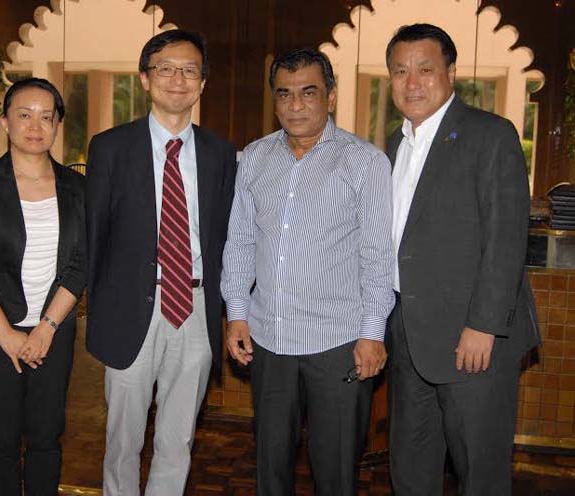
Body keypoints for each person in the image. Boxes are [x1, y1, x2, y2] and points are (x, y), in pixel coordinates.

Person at [221, 47, 394, 495]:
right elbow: (239, 241)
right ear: (274, 100)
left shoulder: (366, 162)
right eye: (284, 94)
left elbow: (378, 255)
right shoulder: (255, 159)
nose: (295, 105)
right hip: (269, 340)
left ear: (330, 97)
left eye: (308, 92)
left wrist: (373, 332)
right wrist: (237, 313)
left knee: (335, 469)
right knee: (270, 465)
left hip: (338, 343)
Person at [385, 23, 540, 495]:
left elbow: (507, 239)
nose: (412, 82)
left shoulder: (490, 135)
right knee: (410, 467)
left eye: (425, 69)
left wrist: (485, 326)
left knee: (480, 471)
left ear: (452, 73)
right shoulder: (396, 142)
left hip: (474, 340)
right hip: (410, 335)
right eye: (399, 71)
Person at [86, 29, 236, 495]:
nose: (178, 79)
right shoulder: (110, 148)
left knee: (178, 439)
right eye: (166, 68)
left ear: (202, 83)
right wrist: (96, 312)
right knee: (122, 439)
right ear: (145, 79)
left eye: (190, 70)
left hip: (196, 308)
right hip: (130, 307)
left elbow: (228, 240)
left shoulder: (221, 154)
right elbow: (95, 237)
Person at [0, 77, 86, 495]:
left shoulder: (78, 187)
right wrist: (7, 336)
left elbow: (80, 264)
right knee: (0, 442)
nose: (35, 125)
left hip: (55, 330)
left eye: (46, 117)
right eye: (23, 114)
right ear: (5, 122)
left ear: (58, 124)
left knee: (47, 438)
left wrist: (46, 328)